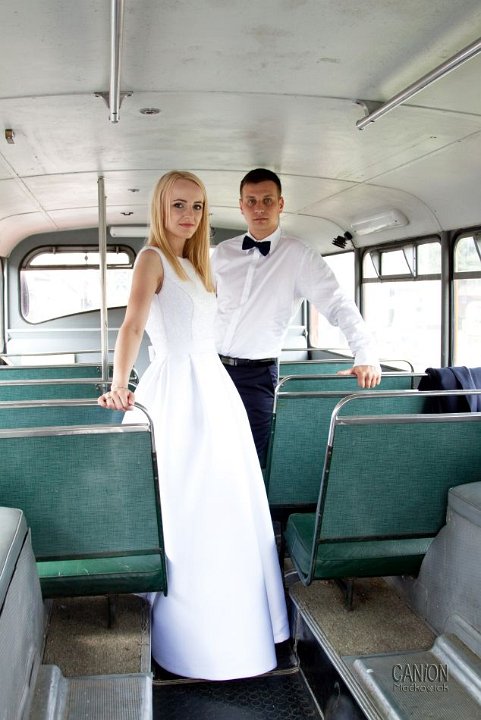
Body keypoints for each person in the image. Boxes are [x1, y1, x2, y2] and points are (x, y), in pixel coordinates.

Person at [98, 171, 289, 681]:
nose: (189, 215)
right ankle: (186, 640)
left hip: (215, 390)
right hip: (176, 390)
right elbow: (133, 324)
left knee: (226, 503)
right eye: (179, 205)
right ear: (160, 208)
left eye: (198, 206)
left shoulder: (199, 265)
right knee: (185, 507)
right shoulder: (151, 259)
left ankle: (237, 636)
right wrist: (119, 383)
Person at [211, 168, 381, 464]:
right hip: (212, 368)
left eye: (267, 200)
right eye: (251, 201)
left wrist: (365, 355)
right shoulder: (223, 253)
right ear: (241, 206)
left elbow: (339, 304)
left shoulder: (299, 255)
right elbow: (204, 307)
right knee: (211, 451)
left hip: (256, 376)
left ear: (280, 204)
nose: (259, 208)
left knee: (252, 460)